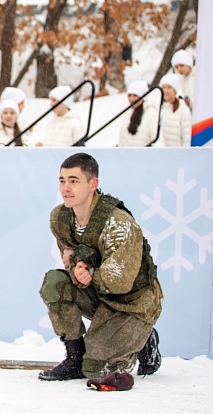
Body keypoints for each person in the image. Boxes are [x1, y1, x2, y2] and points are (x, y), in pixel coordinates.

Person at [38, 153, 163, 391]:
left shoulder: (118, 223)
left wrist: (85, 266)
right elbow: (72, 266)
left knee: (97, 368)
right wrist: (77, 269)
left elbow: (120, 282)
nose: (66, 188)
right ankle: (74, 357)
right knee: (55, 283)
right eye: (62, 181)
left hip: (132, 303)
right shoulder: (60, 218)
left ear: (92, 184)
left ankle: (144, 338)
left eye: (74, 181)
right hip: (99, 293)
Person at [117, 80, 163, 147]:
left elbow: (158, 140)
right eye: (129, 95)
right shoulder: (129, 113)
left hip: (143, 152)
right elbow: (122, 139)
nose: (131, 99)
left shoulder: (151, 112)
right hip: (128, 153)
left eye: (135, 95)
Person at [159, 74, 191, 147]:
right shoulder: (158, 108)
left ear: (175, 90)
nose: (165, 90)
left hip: (177, 151)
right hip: (160, 152)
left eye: (169, 87)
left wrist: (186, 152)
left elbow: (187, 137)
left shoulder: (183, 109)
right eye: (163, 87)